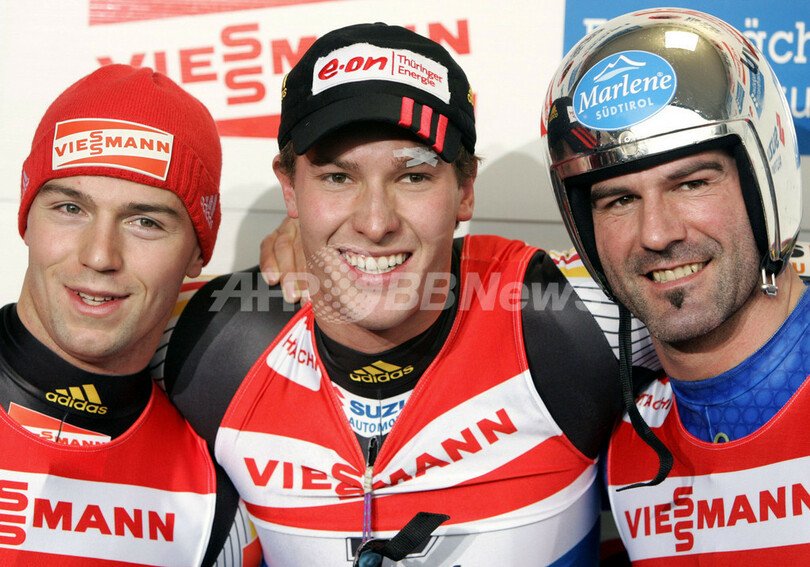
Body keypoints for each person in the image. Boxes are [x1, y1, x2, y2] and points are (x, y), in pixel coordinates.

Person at [161, 22, 660, 566]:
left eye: (413, 177)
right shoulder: (211, 337)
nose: (375, 223)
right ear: (290, 187)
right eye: (337, 178)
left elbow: (717, 279)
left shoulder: (564, 312)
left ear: (465, 189)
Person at [542, 7, 809, 563]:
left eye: (691, 184)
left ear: (764, 185)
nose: (657, 234)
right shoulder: (621, 443)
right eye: (619, 200)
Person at [2, 64, 259, 566]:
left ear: (197, 252)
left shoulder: (216, 504)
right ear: (26, 220)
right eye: (70, 209)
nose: (100, 256)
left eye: (144, 222)